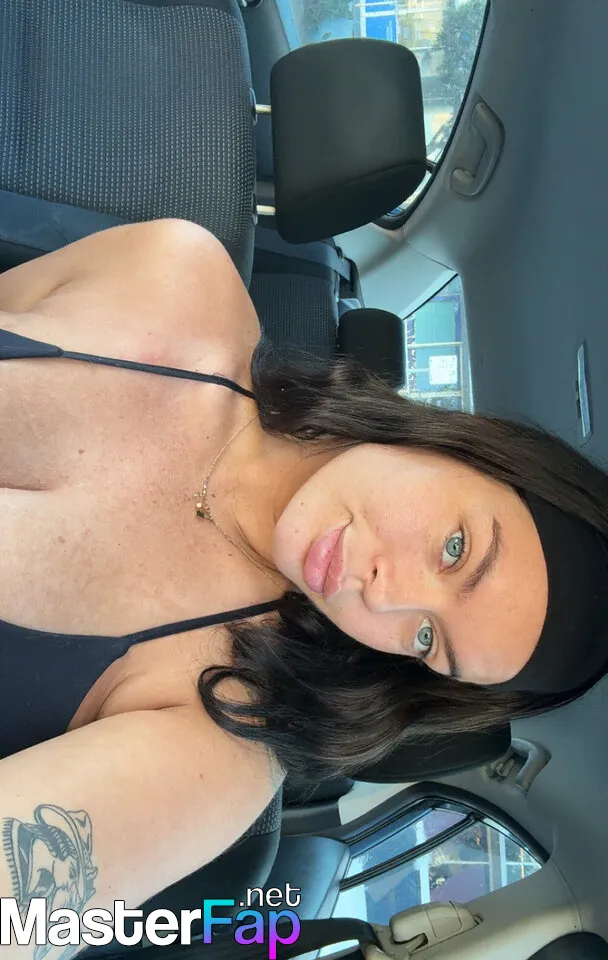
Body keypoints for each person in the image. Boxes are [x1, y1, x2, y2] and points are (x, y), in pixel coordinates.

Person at [0, 219, 607, 950]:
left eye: (426, 638)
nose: (384, 597)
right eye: (455, 549)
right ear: (462, 448)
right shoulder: (178, 276)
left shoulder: (221, 742)